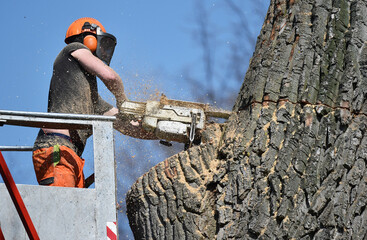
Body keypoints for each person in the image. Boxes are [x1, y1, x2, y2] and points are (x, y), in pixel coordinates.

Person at [32, 17, 155, 188]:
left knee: (75, 212)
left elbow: (128, 125)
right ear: (89, 38)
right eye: (100, 43)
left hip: (71, 156)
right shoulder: (73, 49)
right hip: (56, 148)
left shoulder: (93, 102)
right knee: (63, 209)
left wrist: (157, 129)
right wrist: (123, 101)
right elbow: (110, 76)